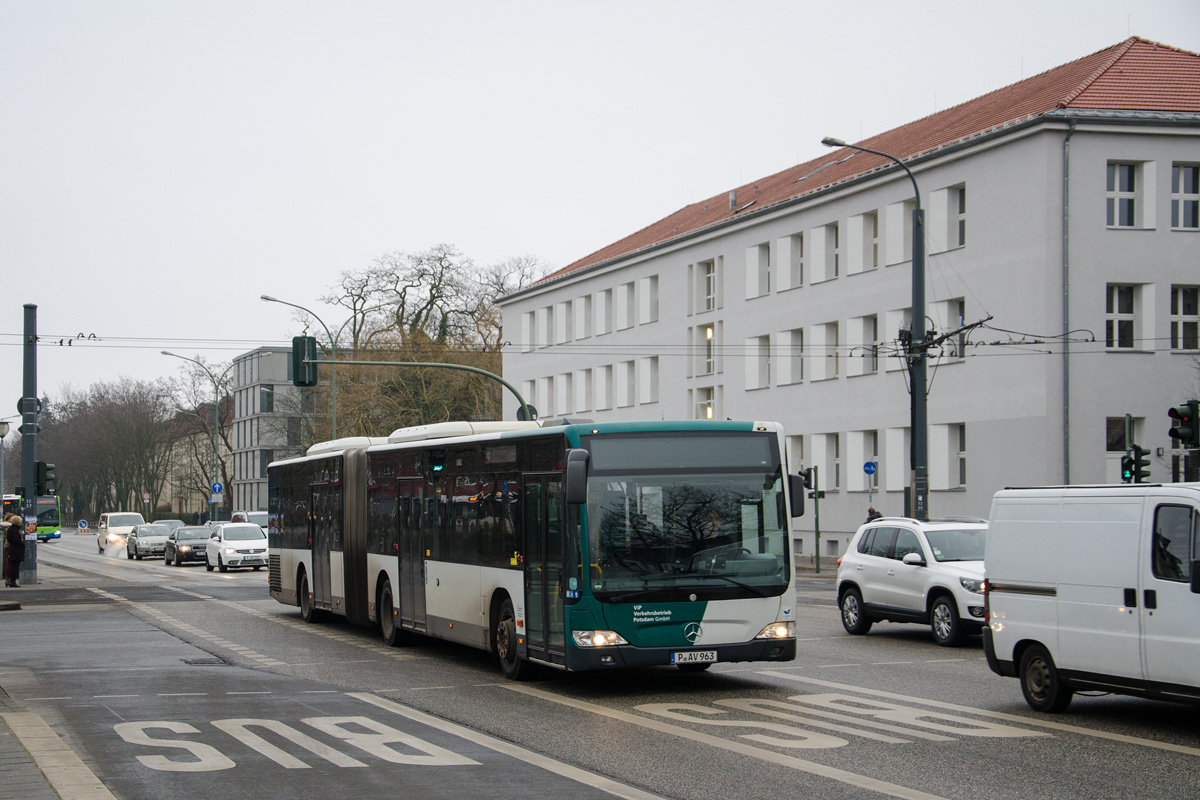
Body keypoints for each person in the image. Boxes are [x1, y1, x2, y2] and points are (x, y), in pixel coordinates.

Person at [5, 514, 26, 587]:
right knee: (15, 566)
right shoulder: (15, 530)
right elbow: (15, 539)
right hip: (16, 550)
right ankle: (13, 581)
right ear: (17, 522)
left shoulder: (11, 529)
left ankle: (11, 581)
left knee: (13, 565)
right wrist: (22, 543)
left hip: (12, 549)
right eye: (19, 522)